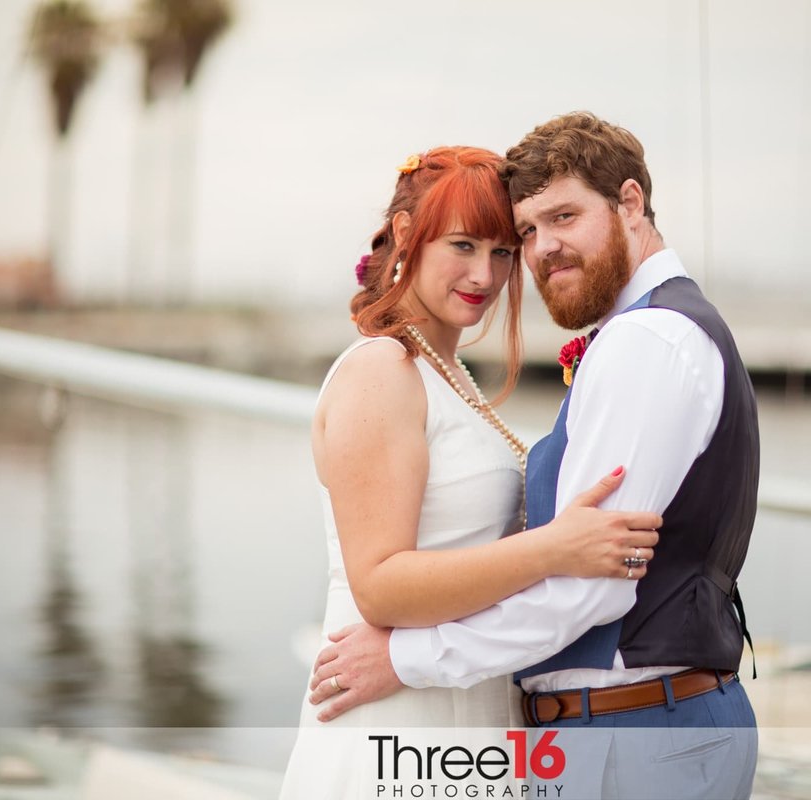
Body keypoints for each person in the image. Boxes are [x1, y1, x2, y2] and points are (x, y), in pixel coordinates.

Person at [307, 114, 761, 799]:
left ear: (630, 203)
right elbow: (385, 581)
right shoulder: (386, 370)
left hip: (585, 722)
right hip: (419, 706)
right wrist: (552, 548)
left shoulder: (641, 342)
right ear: (407, 238)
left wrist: (412, 657)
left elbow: (593, 584)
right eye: (521, 234)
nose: (491, 272)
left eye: (502, 250)